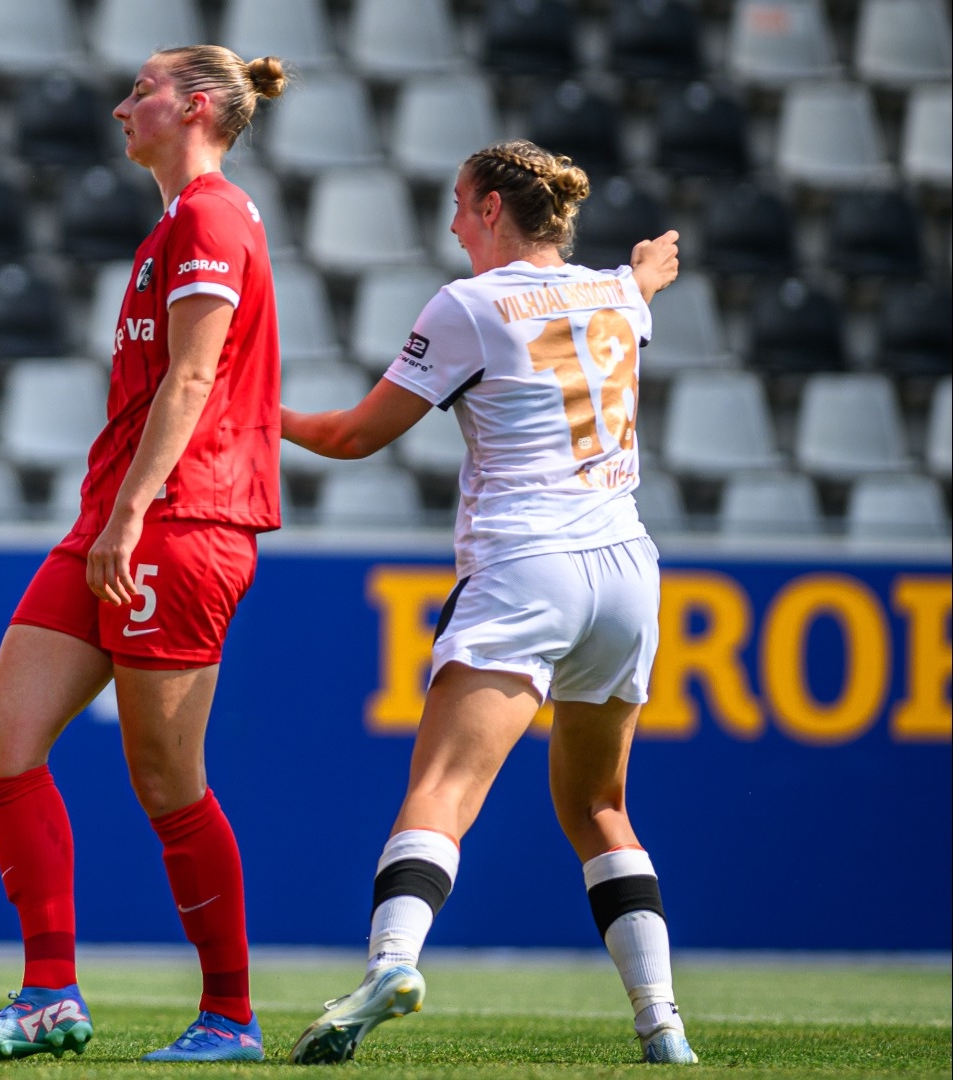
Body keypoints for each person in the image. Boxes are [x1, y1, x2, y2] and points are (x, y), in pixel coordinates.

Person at [278, 141, 691, 1066]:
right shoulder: (617, 295)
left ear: (497, 208)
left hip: (525, 565)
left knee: (442, 790)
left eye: (463, 205)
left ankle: (391, 961)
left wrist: (255, 413)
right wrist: (644, 272)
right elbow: (631, 292)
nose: (455, 223)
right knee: (599, 808)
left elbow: (352, 435)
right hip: (627, 567)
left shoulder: (469, 304)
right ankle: (662, 1023)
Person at [0, 46, 287, 1064]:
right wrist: (115, 514)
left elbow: (191, 381)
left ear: (200, 107)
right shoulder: (175, 224)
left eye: (143, 89)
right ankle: (49, 992)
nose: (122, 104)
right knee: (2, 741)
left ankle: (231, 1014)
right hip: (119, 516)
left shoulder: (214, 216)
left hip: (175, 524)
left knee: (168, 782)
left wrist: (132, 515)